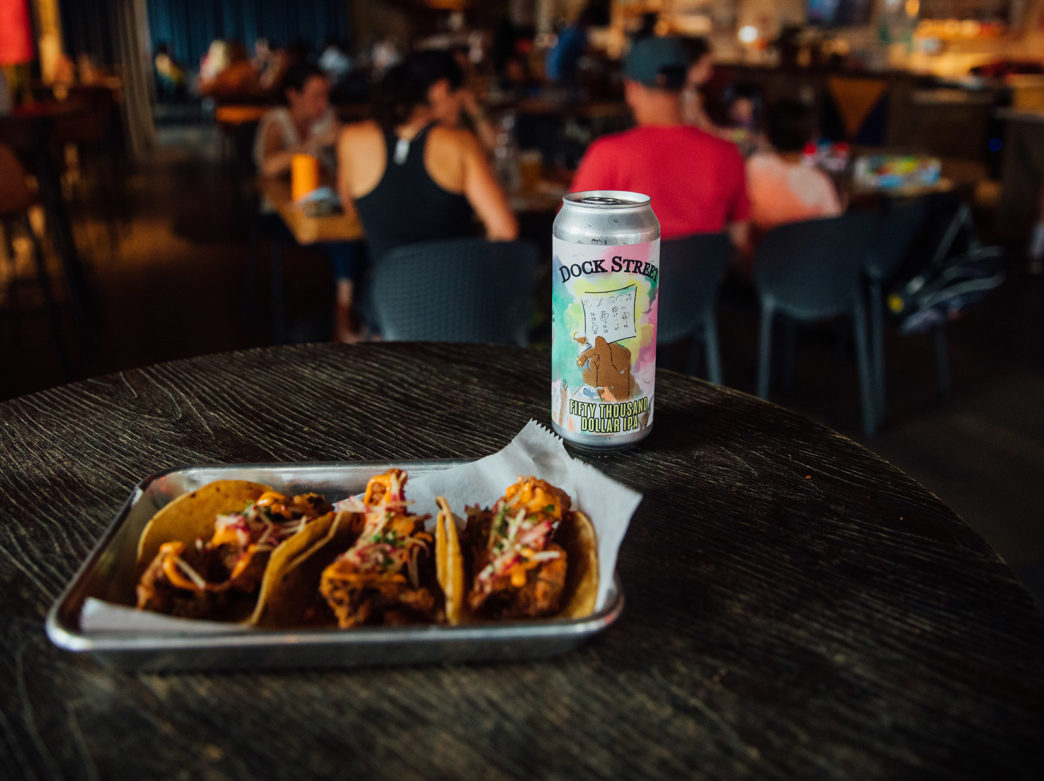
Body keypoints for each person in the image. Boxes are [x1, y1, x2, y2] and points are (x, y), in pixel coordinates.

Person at [336, 49, 517, 267]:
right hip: (457, 293)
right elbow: (504, 231)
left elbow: (350, 209)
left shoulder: (351, 139)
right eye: (461, 96)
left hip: (388, 296)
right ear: (442, 90)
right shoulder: (459, 142)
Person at [570, 36, 750, 250]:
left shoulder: (608, 154)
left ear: (631, 88)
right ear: (685, 84)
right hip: (703, 282)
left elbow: (572, 242)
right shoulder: (727, 153)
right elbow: (740, 243)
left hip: (626, 282)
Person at [745, 99, 842, 234]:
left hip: (758, 251)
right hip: (802, 253)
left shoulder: (753, 166)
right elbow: (832, 229)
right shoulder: (819, 183)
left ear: (767, 134)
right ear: (812, 137)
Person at [253, 63, 339, 178]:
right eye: (316, 96)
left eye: (325, 95)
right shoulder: (277, 121)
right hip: (279, 193)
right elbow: (269, 167)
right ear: (293, 95)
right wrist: (317, 142)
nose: (323, 103)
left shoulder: (327, 117)